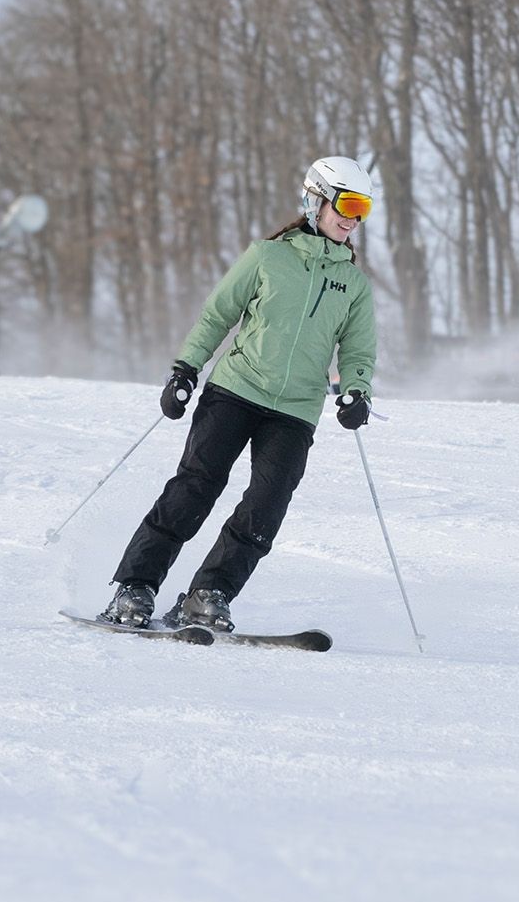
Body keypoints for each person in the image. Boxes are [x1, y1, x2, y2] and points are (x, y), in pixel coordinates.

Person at [99, 156, 380, 633]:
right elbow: (217, 315)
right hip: (235, 391)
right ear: (316, 201)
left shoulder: (352, 284)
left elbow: (358, 349)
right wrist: (185, 370)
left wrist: (356, 392)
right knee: (196, 487)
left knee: (267, 504)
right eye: (347, 204)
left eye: (363, 209)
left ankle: (209, 594)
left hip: (294, 410)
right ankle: (135, 586)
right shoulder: (267, 257)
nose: (352, 218)